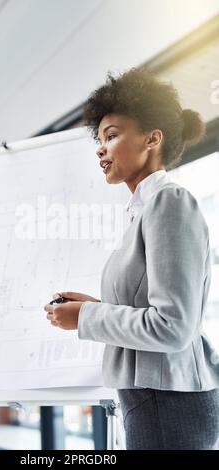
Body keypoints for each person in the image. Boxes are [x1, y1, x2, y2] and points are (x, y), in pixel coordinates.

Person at [44, 68, 219, 449]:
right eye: (100, 138)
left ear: (152, 138)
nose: (100, 148)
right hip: (152, 400)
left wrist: (87, 317)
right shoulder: (144, 210)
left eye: (112, 135)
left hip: (169, 403)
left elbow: (173, 326)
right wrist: (97, 307)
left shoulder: (169, 203)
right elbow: (150, 308)